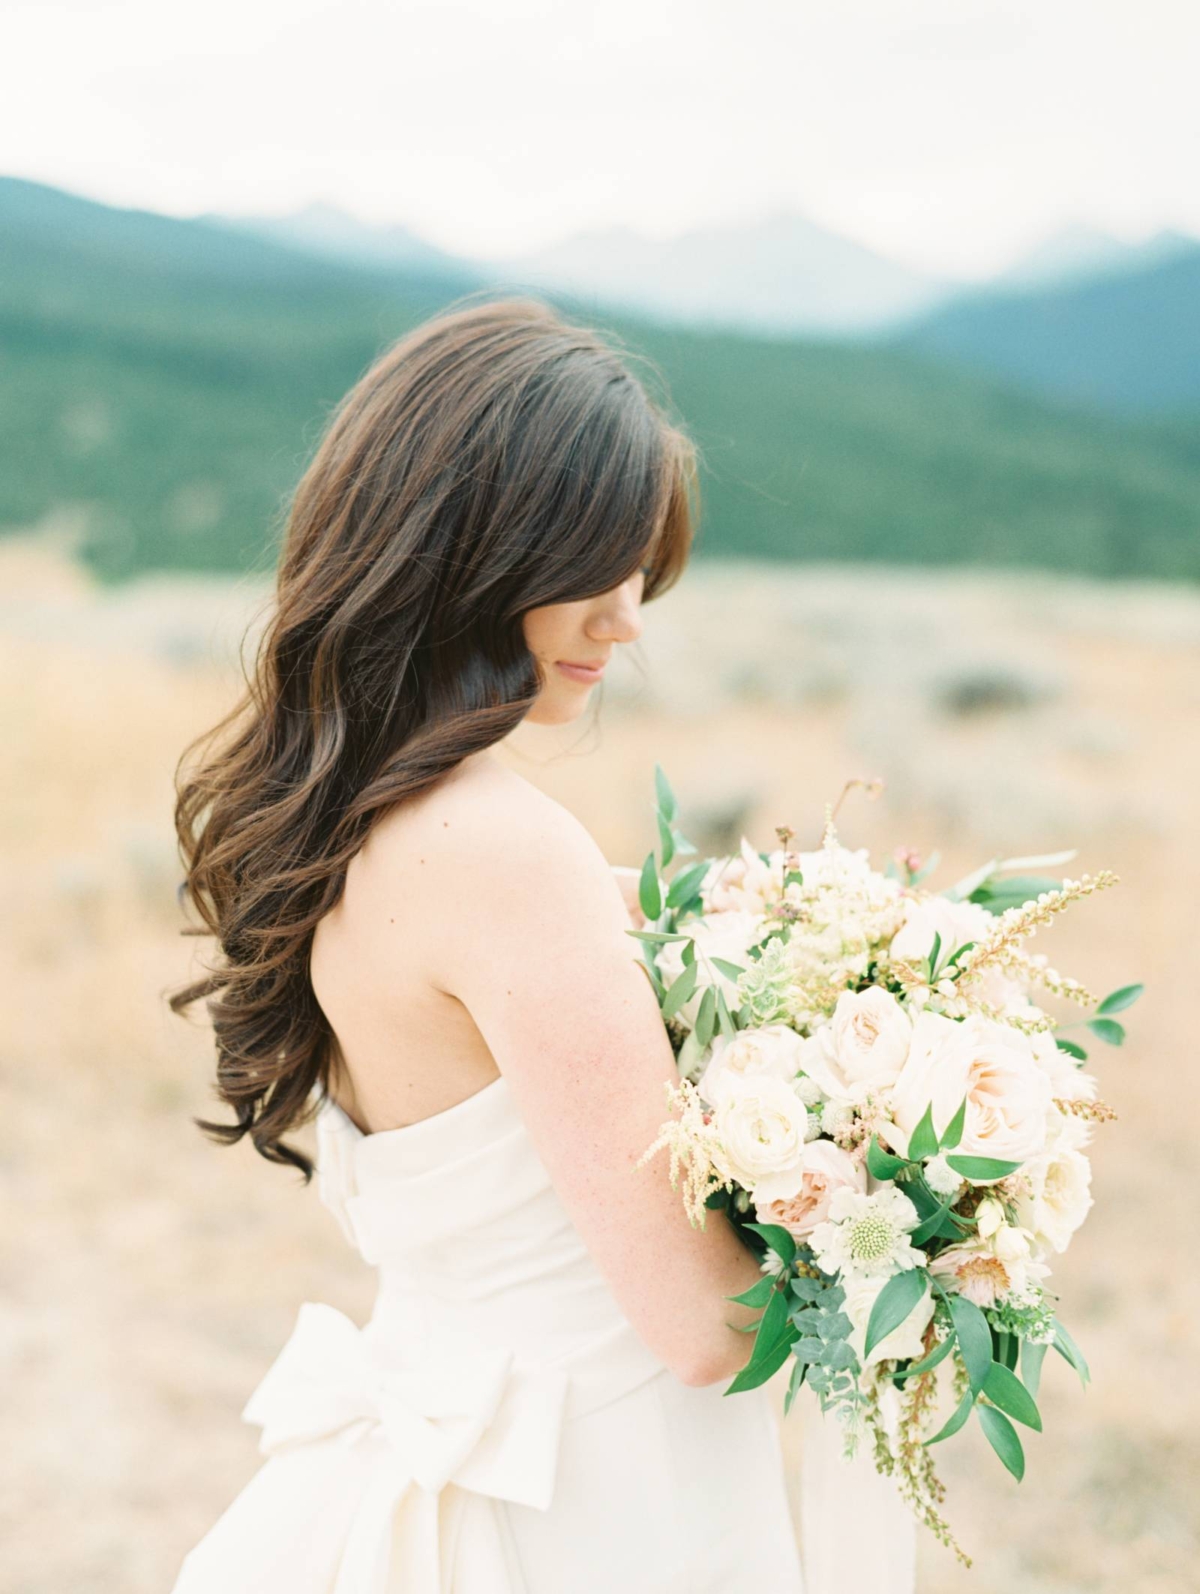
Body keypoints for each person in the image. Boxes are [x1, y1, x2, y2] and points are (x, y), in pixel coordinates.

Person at [166, 294, 909, 1592]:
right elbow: (702, 1329)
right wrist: (914, 1225)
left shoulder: (348, 817)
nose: (629, 618)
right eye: (599, 566)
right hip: (593, 1502)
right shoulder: (506, 852)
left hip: (485, 1450)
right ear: (479, 554)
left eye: (645, 571)